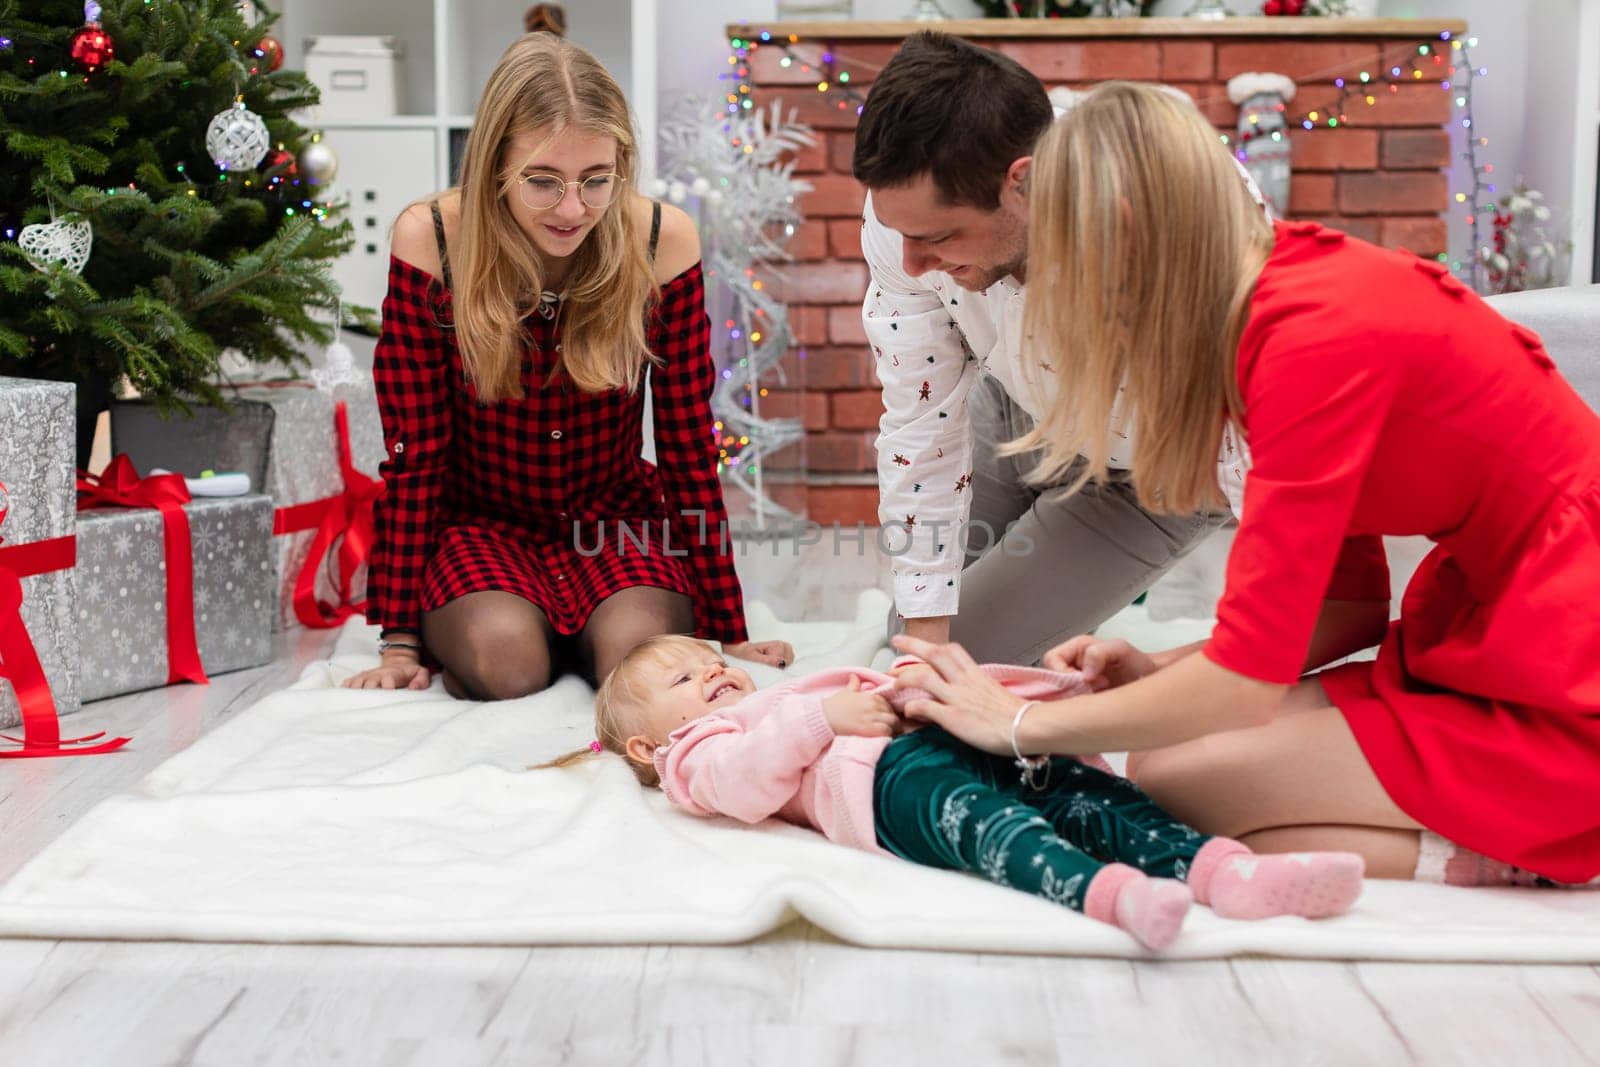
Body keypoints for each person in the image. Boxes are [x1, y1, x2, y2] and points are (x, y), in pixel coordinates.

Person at [892, 82, 1600, 889]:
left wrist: (1022, 723)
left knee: (1179, 781)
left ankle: (1525, 850)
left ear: (1121, 240)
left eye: (1062, 263)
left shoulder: (1306, 343)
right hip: (1500, 613)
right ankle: (1491, 837)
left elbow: (1246, 679)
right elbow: (1348, 607)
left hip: (1566, 648)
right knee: (1163, 757)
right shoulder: (1261, 306)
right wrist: (1160, 668)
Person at [345, 34, 790, 698]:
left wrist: (729, 627)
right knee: (507, 662)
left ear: (622, 165)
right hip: (481, 524)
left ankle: (593, 632)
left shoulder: (658, 239)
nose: (573, 208)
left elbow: (688, 447)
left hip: (614, 518)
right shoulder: (434, 239)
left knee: (641, 665)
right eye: (544, 181)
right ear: (496, 163)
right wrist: (399, 640)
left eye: (596, 180)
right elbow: (415, 450)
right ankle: (533, 629)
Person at [540, 635, 1366, 951]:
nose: (714, 673)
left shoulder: (771, 692)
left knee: (1083, 789)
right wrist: (822, 717)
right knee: (995, 829)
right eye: (685, 677)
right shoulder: (696, 752)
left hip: (941, 734)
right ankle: (1105, 895)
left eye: (710, 658)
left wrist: (1037, 692)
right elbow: (743, 785)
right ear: (649, 744)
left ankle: (1225, 870)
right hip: (883, 784)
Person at [851, 31, 1230, 665]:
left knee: (971, 651)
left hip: (1151, 469)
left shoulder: (1172, 210)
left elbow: (1262, 426)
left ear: (1019, 183)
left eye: (938, 237)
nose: (914, 265)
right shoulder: (906, 221)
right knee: (912, 638)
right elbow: (921, 426)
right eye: (899, 234)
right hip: (1012, 418)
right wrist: (923, 632)